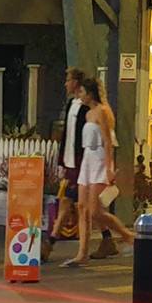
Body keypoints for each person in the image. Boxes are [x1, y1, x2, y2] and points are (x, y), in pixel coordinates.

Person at [65, 77, 133, 265]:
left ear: (90, 93)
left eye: (82, 92)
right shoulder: (88, 114)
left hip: (99, 158)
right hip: (87, 158)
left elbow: (108, 141)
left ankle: (128, 236)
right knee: (82, 207)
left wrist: (109, 167)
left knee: (95, 210)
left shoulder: (103, 112)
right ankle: (82, 253)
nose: (79, 95)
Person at [46, 68, 91, 257]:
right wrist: (62, 160)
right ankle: (106, 238)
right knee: (73, 202)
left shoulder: (88, 107)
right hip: (71, 161)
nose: (66, 84)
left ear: (77, 83)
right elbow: (68, 134)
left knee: (77, 204)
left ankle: (51, 243)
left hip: (82, 161)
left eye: (68, 80)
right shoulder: (72, 103)